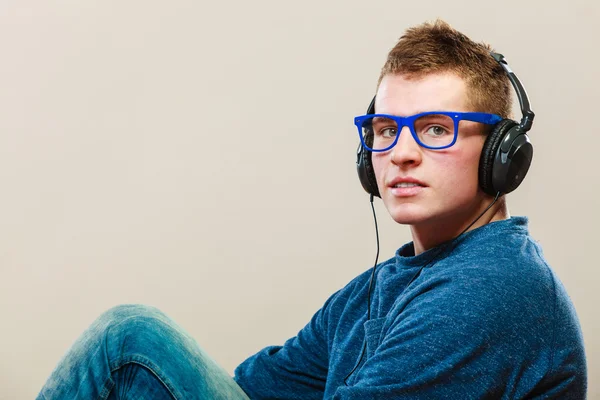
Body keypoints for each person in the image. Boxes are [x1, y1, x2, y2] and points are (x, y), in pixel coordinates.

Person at [37, 19, 587, 399]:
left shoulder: (495, 289)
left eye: (436, 129)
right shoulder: (376, 291)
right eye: (384, 130)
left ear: (502, 157)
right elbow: (253, 388)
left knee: (130, 340)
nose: (401, 152)